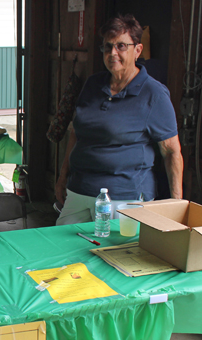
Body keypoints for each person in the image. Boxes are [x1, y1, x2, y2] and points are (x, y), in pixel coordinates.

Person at [55, 14, 183, 225]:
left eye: (121, 46)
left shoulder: (153, 94)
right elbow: (76, 133)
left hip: (124, 198)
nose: (112, 53)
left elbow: (171, 151)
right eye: (107, 47)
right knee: (62, 251)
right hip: (79, 190)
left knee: (113, 255)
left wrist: (176, 204)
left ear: (138, 50)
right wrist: (62, 177)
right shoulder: (92, 84)